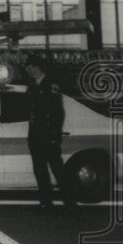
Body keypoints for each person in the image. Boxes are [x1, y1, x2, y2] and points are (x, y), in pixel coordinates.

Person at [24, 55, 77, 213]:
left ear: (37, 67)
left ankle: (70, 202)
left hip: (48, 134)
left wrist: (55, 135)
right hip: (35, 134)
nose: (27, 69)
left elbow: (57, 113)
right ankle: (46, 201)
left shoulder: (50, 85)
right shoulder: (33, 85)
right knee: (39, 169)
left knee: (57, 169)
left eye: (29, 66)